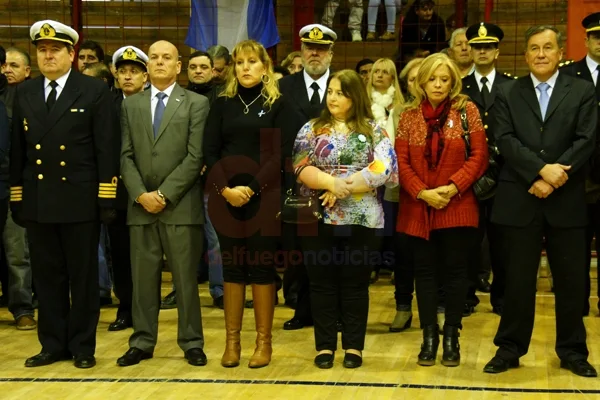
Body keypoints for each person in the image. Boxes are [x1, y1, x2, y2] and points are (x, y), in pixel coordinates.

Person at [484, 25, 597, 378]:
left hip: (566, 199)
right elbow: (503, 138)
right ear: (526, 54)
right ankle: (509, 348)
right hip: (521, 196)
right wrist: (538, 173)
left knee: (571, 281)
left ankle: (573, 351)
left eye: (548, 47)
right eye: (534, 48)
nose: (542, 54)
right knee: (517, 280)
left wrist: (554, 176)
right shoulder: (507, 91)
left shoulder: (581, 90)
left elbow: (587, 138)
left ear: (560, 52)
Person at [10, 20, 120, 369]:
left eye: (55, 49)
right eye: (41, 50)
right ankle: (52, 344)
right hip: (40, 200)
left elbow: (106, 148)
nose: (47, 55)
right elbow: (18, 152)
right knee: (47, 277)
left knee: (83, 278)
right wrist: (18, 196)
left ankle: (83, 346)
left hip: (80, 200)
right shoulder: (25, 93)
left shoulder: (92, 91)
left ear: (71, 54)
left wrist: (106, 198)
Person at [292, 69, 398, 369]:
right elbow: (300, 165)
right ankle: (325, 346)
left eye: (340, 92)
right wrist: (330, 184)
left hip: (363, 219)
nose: (333, 97)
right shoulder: (311, 128)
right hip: (317, 218)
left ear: (355, 97)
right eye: (331, 92)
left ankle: (354, 346)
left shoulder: (374, 130)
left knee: (354, 284)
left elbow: (383, 168)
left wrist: (343, 187)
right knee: (321, 283)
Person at [118, 40, 209, 368]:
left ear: (178, 65)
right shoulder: (130, 105)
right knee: (142, 279)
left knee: (185, 279)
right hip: (140, 206)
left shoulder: (196, 103)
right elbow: (125, 156)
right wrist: (141, 194)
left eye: (165, 57)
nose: (159, 62)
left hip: (180, 206)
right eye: (153, 58)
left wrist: (164, 194)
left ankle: (191, 342)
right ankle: (142, 341)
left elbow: (195, 155)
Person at [204, 39, 293, 369]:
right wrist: (226, 189)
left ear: (265, 66)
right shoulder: (222, 103)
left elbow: (276, 155)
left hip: (264, 198)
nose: (245, 67)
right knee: (232, 268)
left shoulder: (276, 105)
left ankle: (263, 344)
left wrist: (252, 188)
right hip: (225, 198)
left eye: (252, 62)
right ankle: (232, 343)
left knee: (261, 267)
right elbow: (210, 151)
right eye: (239, 62)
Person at [395, 53, 488, 367]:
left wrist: (452, 187)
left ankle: (451, 336)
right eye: (432, 79)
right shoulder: (408, 116)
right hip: (418, 206)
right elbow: (401, 161)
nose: (438, 85)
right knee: (424, 273)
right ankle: (428, 336)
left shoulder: (467, 110)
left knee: (456, 273)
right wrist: (422, 192)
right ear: (422, 81)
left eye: (444, 79)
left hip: (456, 204)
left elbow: (479, 157)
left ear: (453, 82)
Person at [278, 24, 336, 331]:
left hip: (338, 183)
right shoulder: (283, 87)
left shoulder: (343, 85)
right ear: (301, 50)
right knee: (299, 250)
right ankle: (302, 309)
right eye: (309, 48)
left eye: (321, 48)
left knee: (334, 250)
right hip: (295, 181)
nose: (315, 53)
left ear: (330, 53)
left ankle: (332, 311)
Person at [161, 49, 225, 310]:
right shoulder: (176, 98)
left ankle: (220, 290)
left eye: (203, 67)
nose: (198, 71)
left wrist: (206, 163)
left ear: (212, 70)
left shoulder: (222, 98)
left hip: (211, 178)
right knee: (181, 241)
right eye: (193, 67)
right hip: (182, 179)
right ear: (185, 70)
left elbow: (220, 137)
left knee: (217, 239)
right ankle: (180, 290)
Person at [461, 22, 514, 317]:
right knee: (469, 239)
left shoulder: (511, 85)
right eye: (477, 46)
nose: (482, 51)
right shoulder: (459, 86)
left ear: (497, 51)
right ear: (469, 49)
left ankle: (502, 296)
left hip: (504, 174)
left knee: (501, 240)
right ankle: (467, 294)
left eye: (488, 46)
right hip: (469, 174)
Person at [104, 45, 149, 332]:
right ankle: (126, 308)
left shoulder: (156, 104)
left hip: (150, 191)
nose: (128, 77)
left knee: (148, 255)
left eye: (134, 72)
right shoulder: (106, 104)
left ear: (145, 76)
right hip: (117, 193)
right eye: (123, 72)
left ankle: (147, 309)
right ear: (115, 75)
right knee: (120, 254)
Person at [559, 12, 600, 317]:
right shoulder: (568, 76)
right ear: (586, 39)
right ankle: (578, 303)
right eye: (596, 36)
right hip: (577, 175)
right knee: (576, 247)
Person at [387, 57, 423, 332]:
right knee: (404, 254)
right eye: (411, 79)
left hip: (438, 194)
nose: (418, 83)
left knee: (435, 254)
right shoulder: (398, 111)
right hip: (402, 192)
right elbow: (392, 153)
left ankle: (437, 306)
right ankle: (402, 306)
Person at [399, 0, 446, 64]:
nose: (428, 13)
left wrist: (429, 52)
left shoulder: (438, 23)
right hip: (413, 56)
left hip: (433, 56)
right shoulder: (408, 22)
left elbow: (441, 45)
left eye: (430, 9)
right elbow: (404, 45)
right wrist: (416, 52)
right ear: (416, 10)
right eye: (425, 10)